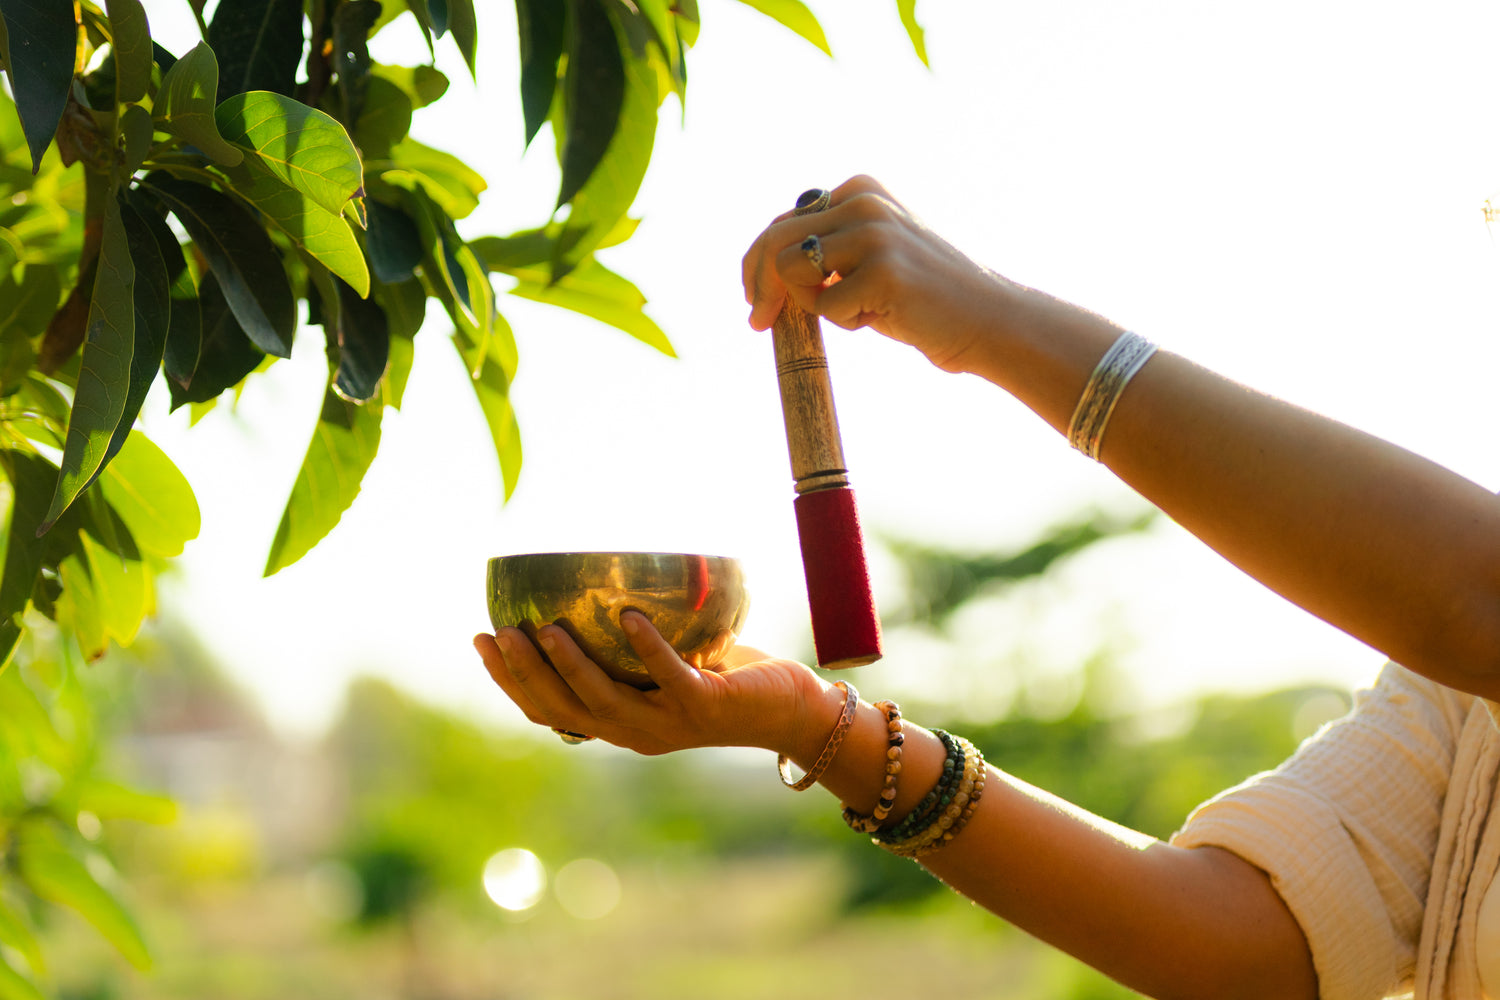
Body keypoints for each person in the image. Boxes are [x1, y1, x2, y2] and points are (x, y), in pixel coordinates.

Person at [474, 176, 1500, 1000]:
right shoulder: (1457, 693)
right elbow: (1260, 945)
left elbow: (1478, 596)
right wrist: (815, 725)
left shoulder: (1454, 607)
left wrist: (998, 324)